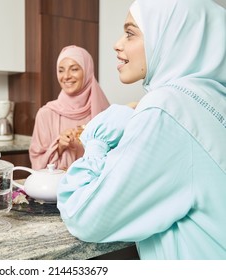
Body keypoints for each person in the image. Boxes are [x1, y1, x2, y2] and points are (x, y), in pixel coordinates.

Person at [57, 0, 226, 259]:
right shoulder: (213, 100)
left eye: (130, 33)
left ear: (172, 36)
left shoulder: (167, 108)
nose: (117, 44)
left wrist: (97, 140)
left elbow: (85, 215)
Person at [29, 45, 110, 171]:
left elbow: (115, 158)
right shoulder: (46, 114)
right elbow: (37, 165)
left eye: (74, 69)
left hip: (95, 187)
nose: (66, 76)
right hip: (57, 188)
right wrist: (59, 146)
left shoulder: (104, 111)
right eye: (61, 70)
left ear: (87, 71)